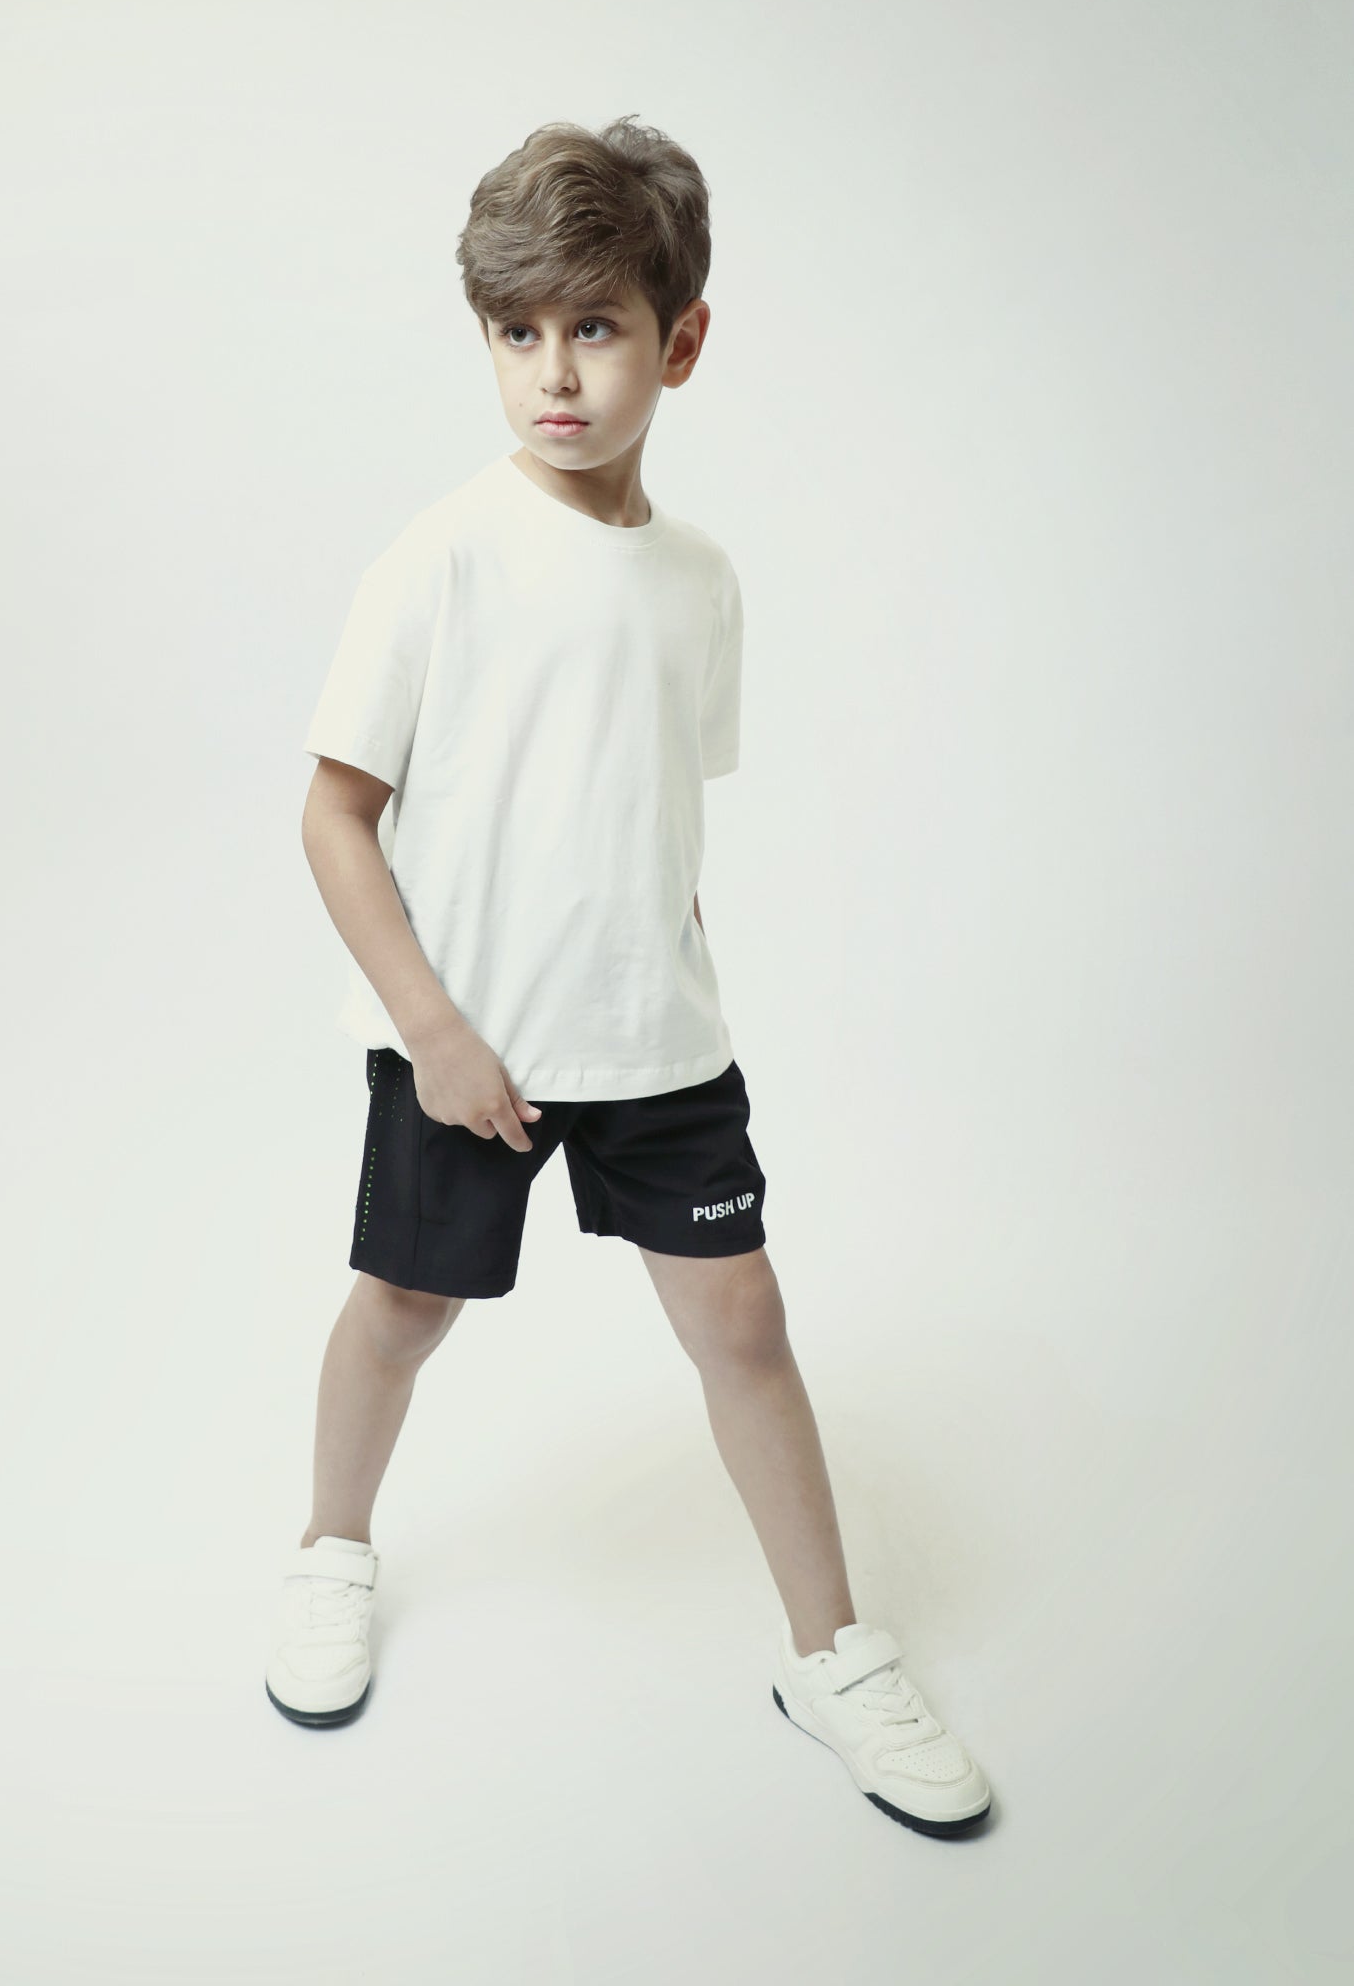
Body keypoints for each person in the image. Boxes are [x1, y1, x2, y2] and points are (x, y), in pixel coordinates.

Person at [264, 115, 991, 1838]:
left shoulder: (701, 583)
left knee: (744, 1324)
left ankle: (833, 1655)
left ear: (682, 340)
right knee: (403, 1310)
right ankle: (330, 1551)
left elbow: (651, 813)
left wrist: (666, 992)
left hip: (657, 1041)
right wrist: (435, 1033)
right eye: (517, 331)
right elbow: (332, 817)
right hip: (468, 1047)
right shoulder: (438, 557)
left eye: (593, 326)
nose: (554, 373)